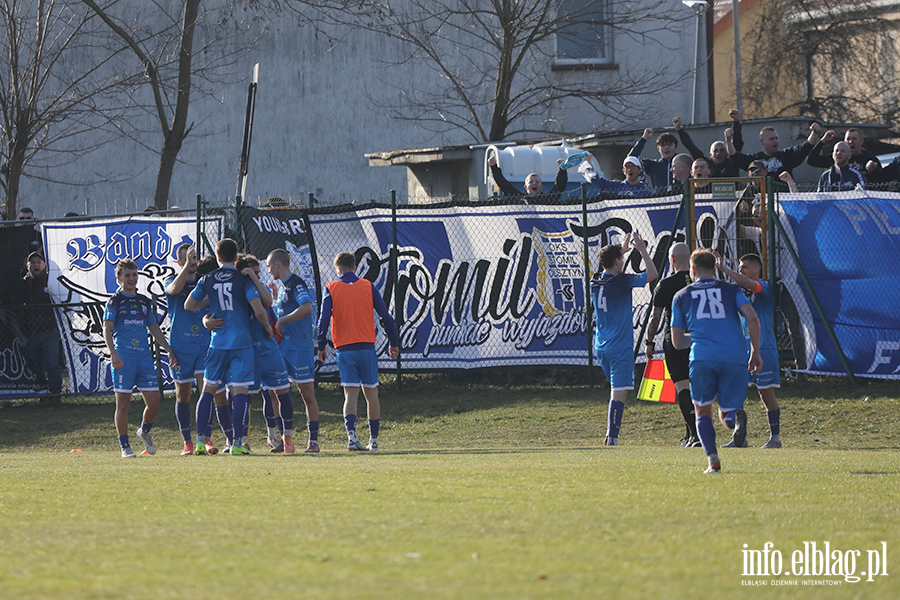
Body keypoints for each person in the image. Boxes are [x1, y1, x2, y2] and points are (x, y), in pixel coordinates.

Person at [670, 249, 763, 473]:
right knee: (727, 412)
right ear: (714, 269)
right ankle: (736, 420)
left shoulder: (682, 296)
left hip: (703, 357)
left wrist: (701, 335)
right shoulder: (730, 289)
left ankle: (713, 461)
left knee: (703, 411)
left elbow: (677, 342)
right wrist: (756, 351)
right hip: (735, 356)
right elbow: (751, 316)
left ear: (692, 270)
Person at [185, 238, 272, 455]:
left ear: (217, 257)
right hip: (241, 343)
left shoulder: (208, 279)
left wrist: (210, 309)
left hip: (217, 342)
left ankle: (199, 441)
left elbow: (189, 304)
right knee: (240, 393)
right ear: (236, 257)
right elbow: (261, 309)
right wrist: (268, 328)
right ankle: (238, 443)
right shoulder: (243, 280)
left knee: (208, 391)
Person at [317, 252, 399, 452]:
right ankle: (374, 440)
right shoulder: (368, 286)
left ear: (338, 269)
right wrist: (394, 342)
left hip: (345, 349)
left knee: (350, 395)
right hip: (366, 347)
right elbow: (385, 317)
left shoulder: (331, 288)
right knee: (372, 394)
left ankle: (352, 437)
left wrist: (320, 345)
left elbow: (323, 319)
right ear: (355, 268)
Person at [103, 258, 176, 458]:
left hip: (144, 359)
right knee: (123, 405)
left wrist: (168, 349)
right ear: (119, 278)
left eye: (134, 275)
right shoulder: (114, 301)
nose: (132, 279)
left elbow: (154, 328)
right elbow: (107, 329)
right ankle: (125, 447)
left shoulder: (144, 301)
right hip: (123, 358)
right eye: (127, 275)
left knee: (154, 403)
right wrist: (114, 353)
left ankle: (144, 432)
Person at [590, 231, 658, 446]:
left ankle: (611, 435)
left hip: (602, 345)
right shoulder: (622, 281)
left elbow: (612, 270)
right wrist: (643, 251)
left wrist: (622, 252)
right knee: (619, 393)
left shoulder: (595, 280)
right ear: (618, 261)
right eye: (621, 258)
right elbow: (653, 274)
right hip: (620, 347)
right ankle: (612, 437)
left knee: (616, 391)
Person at [165, 244, 230, 456]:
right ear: (180, 262)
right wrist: (185, 268)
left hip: (204, 345)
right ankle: (187, 442)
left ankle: (206, 438)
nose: (193, 262)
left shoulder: (205, 283)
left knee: (206, 391)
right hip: (181, 348)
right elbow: (174, 290)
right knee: (183, 396)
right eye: (188, 259)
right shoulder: (172, 282)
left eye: (195, 259)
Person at [714, 252, 783, 448]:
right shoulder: (739, 293)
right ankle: (740, 437)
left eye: (743, 266)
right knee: (734, 394)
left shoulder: (765, 288)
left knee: (766, 395)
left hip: (764, 349)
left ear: (755, 269)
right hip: (741, 351)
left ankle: (775, 439)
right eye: (739, 266)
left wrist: (724, 269)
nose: (740, 269)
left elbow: (750, 284)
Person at [268, 248, 321, 453]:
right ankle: (285, 439)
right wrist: (275, 301)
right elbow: (284, 309)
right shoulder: (282, 287)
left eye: (270, 266)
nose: (269, 270)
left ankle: (313, 441)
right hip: (283, 348)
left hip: (300, 349)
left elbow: (307, 308)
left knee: (306, 394)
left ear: (278, 265)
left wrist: (283, 319)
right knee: (276, 392)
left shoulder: (296, 283)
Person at [645, 243, 697, 447]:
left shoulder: (666, 284)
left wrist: (649, 342)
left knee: (682, 386)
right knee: (695, 387)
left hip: (675, 339)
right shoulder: (698, 282)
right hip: (698, 338)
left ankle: (695, 435)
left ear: (671, 259)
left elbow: (655, 317)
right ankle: (689, 434)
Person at [16, 252, 63, 403]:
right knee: (35, 365)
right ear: (27, 266)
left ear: (44, 265)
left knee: (52, 363)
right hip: (31, 331)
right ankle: (42, 393)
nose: (36, 265)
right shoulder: (22, 284)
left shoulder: (52, 281)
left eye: (39, 262)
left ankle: (55, 393)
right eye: (33, 262)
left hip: (51, 330)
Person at [628, 117, 705, 189]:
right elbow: (631, 159)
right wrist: (644, 138)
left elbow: (691, 147)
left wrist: (679, 129)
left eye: (669, 144)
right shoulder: (653, 165)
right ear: (658, 149)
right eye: (663, 145)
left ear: (675, 147)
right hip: (661, 201)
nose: (666, 147)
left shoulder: (684, 162)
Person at [727, 123, 821, 177]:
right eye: (771, 139)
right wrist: (728, 140)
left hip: (784, 202)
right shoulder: (755, 160)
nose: (775, 141)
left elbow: (807, 146)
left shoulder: (786, 156)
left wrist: (815, 133)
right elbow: (734, 157)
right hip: (763, 202)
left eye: (776, 138)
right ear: (762, 141)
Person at [488, 155, 568, 202]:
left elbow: (559, 186)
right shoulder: (520, 199)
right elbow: (504, 186)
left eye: (537, 182)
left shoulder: (548, 199)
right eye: (531, 182)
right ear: (525, 186)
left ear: (541, 187)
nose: (534, 183)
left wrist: (562, 169)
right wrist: (494, 167)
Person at [807, 128, 879, 173]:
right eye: (848, 139)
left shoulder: (869, 158)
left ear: (861, 142)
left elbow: (881, 181)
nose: (850, 142)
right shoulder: (838, 158)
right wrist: (823, 141)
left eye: (854, 139)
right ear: (844, 141)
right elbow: (812, 160)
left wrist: (873, 170)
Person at [582, 156, 651, 197]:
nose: (630, 169)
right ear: (624, 171)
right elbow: (599, 183)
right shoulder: (616, 186)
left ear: (639, 170)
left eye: (633, 167)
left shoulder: (645, 191)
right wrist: (589, 166)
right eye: (627, 167)